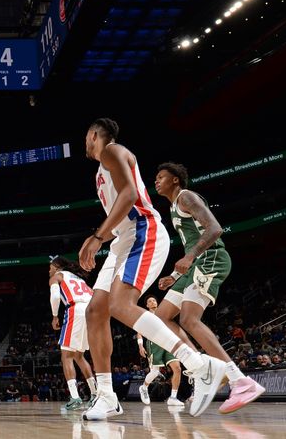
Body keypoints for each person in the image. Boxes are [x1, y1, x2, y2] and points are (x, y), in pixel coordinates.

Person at [79, 118, 225, 420]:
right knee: (95, 311)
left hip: (143, 233)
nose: (85, 143)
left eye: (86, 137)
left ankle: (199, 365)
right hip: (123, 240)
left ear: (95, 135)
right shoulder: (101, 170)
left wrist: (96, 238)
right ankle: (106, 397)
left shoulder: (111, 150)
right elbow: (121, 208)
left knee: (120, 304)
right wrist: (102, 238)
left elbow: (131, 195)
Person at [154, 162, 265, 413]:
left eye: (161, 177)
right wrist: (173, 275)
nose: (156, 181)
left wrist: (190, 256)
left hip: (211, 258)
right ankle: (202, 367)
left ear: (175, 180)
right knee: (160, 318)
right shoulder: (173, 207)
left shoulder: (186, 197)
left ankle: (240, 381)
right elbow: (192, 242)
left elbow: (215, 228)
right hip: (195, 265)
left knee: (189, 320)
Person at [48, 256, 98, 410]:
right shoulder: (79, 279)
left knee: (66, 356)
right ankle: (96, 394)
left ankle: (75, 397)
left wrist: (55, 315)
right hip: (90, 311)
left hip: (75, 310)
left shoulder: (58, 276)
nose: (49, 271)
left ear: (57, 267)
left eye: (50, 268)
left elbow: (56, 296)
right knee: (79, 355)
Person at [137, 296, 183, 408]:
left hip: (168, 342)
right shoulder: (145, 316)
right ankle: (144, 387)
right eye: (149, 301)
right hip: (154, 343)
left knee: (177, 368)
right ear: (147, 305)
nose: (152, 302)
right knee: (155, 372)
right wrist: (140, 345)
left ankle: (173, 397)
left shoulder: (164, 314)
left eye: (154, 300)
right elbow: (139, 331)